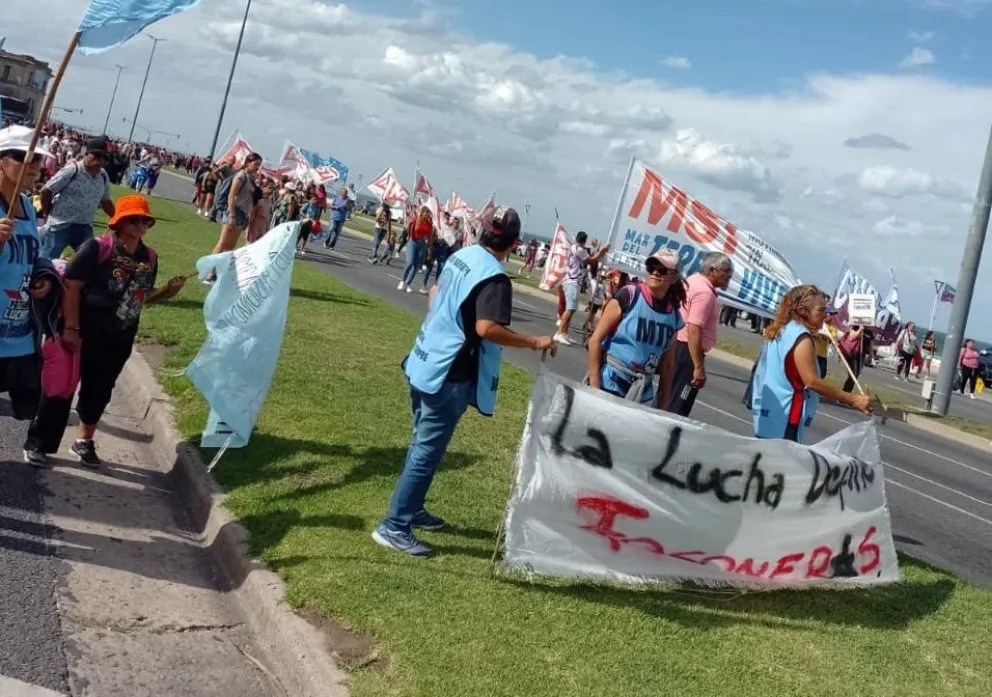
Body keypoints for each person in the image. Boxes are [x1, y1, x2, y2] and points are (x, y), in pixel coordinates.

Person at [374, 207, 556, 557]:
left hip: (424, 358)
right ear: (514, 244)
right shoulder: (494, 277)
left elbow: (433, 291)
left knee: (420, 444)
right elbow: (486, 328)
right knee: (425, 453)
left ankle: (411, 509)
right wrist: (535, 341)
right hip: (450, 372)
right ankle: (394, 526)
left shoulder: (463, 254)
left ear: (484, 230)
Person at [23, 195, 188, 467]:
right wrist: (72, 328)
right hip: (82, 329)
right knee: (60, 387)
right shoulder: (97, 248)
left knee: (100, 388)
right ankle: (39, 443)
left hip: (119, 336)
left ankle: (84, 440)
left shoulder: (150, 257)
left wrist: (167, 293)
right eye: (133, 219)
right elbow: (72, 286)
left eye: (144, 220)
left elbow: (137, 299)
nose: (139, 225)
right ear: (119, 221)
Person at [752, 285, 872, 443]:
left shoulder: (782, 329)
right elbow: (812, 381)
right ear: (803, 311)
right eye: (821, 310)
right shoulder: (801, 338)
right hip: (786, 417)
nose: (825, 315)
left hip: (769, 412)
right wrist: (852, 399)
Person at [0, 126, 58, 428]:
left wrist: (43, 276)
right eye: (24, 157)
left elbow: (30, 257)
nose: (34, 166)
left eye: (38, 159)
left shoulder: (26, 206)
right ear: (1, 161)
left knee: (28, 403)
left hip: (19, 334)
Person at [586, 250, 686, 407]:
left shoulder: (673, 316)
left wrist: (664, 404)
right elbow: (595, 340)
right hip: (610, 382)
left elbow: (667, 363)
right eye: (651, 267)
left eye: (662, 270)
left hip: (642, 391)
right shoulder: (629, 296)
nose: (654, 272)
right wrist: (594, 385)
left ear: (674, 277)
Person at [666, 251, 732, 418]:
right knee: (678, 405)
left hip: (677, 346)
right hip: (687, 351)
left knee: (668, 397)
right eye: (726, 270)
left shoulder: (692, 281)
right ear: (712, 270)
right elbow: (694, 328)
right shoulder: (705, 292)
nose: (729, 275)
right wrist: (698, 366)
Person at [39, 135, 115, 260]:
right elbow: (46, 191)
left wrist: (118, 219)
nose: (100, 161)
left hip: (84, 226)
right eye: (96, 156)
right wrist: (48, 213)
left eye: (104, 158)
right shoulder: (72, 170)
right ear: (86, 154)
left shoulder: (103, 176)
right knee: (47, 261)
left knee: (89, 260)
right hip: (61, 225)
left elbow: (106, 201)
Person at [206, 153, 262, 282]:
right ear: (248, 163)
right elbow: (232, 196)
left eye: (259, 165)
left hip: (243, 214)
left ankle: (219, 272)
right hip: (235, 212)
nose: (257, 167)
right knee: (222, 244)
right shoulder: (241, 176)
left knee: (230, 247)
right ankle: (210, 272)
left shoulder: (250, 178)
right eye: (255, 164)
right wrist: (231, 216)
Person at [554, 231, 609, 345]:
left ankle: (564, 333)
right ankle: (559, 333)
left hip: (574, 281)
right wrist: (602, 251)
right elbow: (591, 260)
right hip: (572, 281)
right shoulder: (578, 250)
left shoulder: (575, 248)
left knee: (572, 309)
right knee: (570, 309)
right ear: (584, 240)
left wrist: (600, 252)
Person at [398, 206, 433, 294]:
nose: (428, 215)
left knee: (416, 266)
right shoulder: (416, 219)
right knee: (410, 262)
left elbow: (430, 236)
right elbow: (408, 228)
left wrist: (429, 247)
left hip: (422, 244)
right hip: (413, 242)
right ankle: (403, 280)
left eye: (428, 213)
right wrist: (407, 237)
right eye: (426, 213)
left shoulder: (429, 224)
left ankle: (408, 283)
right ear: (422, 212)